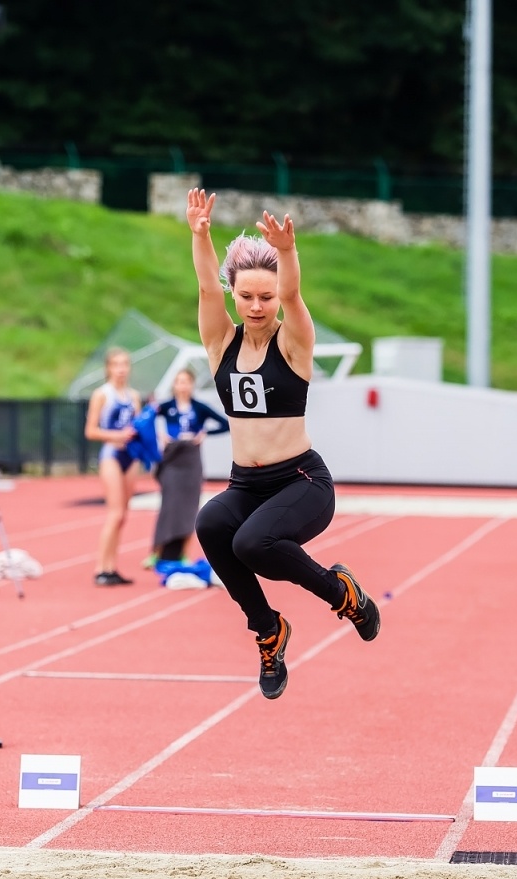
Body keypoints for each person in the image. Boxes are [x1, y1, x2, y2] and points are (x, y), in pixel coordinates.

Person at [185, 188, 380, 699]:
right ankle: (268, 629)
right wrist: (199, 235)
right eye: (246, 296)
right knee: (210, 524)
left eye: (265, 297)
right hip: (246, 484)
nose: (256, 306)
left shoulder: (292, 343)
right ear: (234, 294)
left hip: (301, 482)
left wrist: (288, 254)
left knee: (254, 544)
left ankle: (343, 593)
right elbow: (206, 289)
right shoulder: (219, 343)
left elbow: (294, 298)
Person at [150, 367, 229, 565]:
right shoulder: (167, 407)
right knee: (168, 504)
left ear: (192, 385)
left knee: (189, 507)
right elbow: (145, 419)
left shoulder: (199, 407)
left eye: (186, 382)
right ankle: (157, 551)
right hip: (172, 458)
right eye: (179, 382)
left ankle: (184, 552)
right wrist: (159, 436)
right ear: (174, 385)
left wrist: (204, 434)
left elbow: (225, 423)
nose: (183, 386)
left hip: (191, 459)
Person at [84, 347, 142, 586]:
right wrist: (116, 436)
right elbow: (90, 431)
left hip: (131, 457)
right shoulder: (102, 394)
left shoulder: (134, 396)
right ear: (108, 368)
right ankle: (101, 568)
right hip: (111, 455)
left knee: (123, 516)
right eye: (116, 364)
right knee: (115, 512)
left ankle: (112, 566)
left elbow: (139, 427)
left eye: (125, 364)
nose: (121, 369)